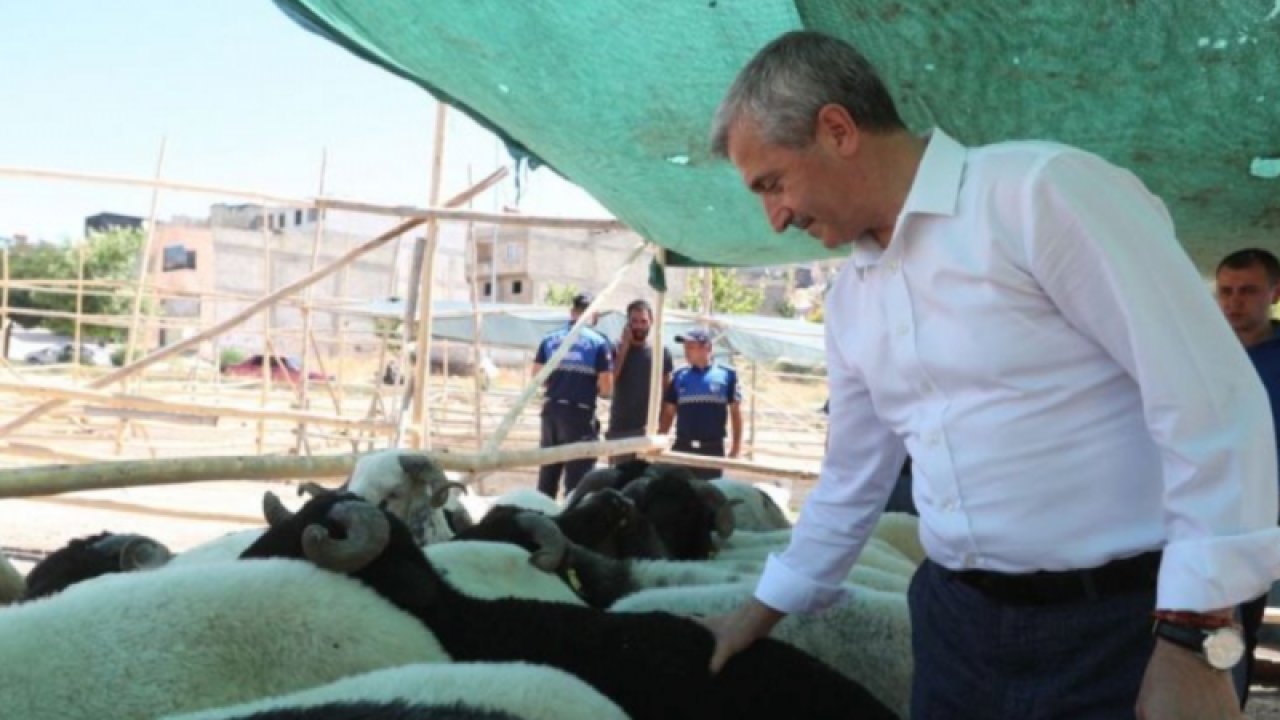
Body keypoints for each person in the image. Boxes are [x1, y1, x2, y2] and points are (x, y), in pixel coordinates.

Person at [700, 30, 1279, 719]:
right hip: (956, 632)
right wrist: (760, 611)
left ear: (836, 129)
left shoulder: (1039, 194)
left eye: (773, 182)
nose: (775, 218)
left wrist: (1196, 635)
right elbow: (852, 477)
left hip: (1121, 628)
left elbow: (1208, 397)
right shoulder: (852, 298)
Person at [1216, 247, 1280, 707]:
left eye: (1248, 291)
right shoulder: (1199, 356)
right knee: (1230, 632)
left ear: (1274, 294)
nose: (1234, 302)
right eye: (1226, 291)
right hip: (1230, 518)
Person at [532, 292, 613, 499]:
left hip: (551, 412)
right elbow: (606, 388)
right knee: (578, 479)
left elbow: (537, 377)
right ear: (593, 315)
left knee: (548, 472)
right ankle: (572, 523)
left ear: (572, 312)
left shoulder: (549, 339)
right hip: (579, 414)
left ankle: (542, 516)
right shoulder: (599, 343)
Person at [658, 328, 742, 479]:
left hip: (712, 449)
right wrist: (660, 441)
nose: (686, 352)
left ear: (707, 347)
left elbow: (735, 413)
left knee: (708, 495)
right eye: (685, 347)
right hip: (683, 447)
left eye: (691, 347)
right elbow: (669, 413)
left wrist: (735, 448)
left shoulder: (727, 375)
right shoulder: (679, 377)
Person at [605, 299, 673, 464]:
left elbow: (668, 393)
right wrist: (625, 348)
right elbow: (609, 384)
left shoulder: (660, 352)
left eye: (643, 321)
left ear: (651, 322)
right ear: (627, 323)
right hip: (620, 429)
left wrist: (662, 429)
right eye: (634, 321)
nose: (639, 326)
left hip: (647, 430)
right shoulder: (615, 348)